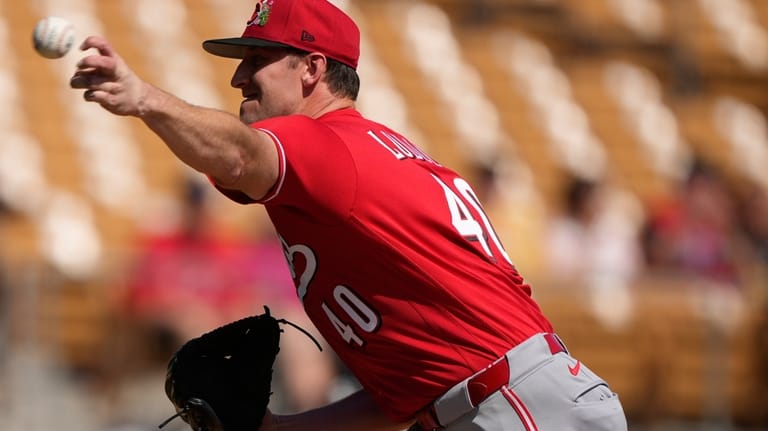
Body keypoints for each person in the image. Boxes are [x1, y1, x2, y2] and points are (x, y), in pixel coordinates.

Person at [69, 0, 627, 430]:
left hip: (516, 407)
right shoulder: (364, 155)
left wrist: (143, 97)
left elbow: (238, 154)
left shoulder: (329, 148)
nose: (240, 79)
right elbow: (403, 398)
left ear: (312, 69)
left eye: (257, 61)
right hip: (501, 400)